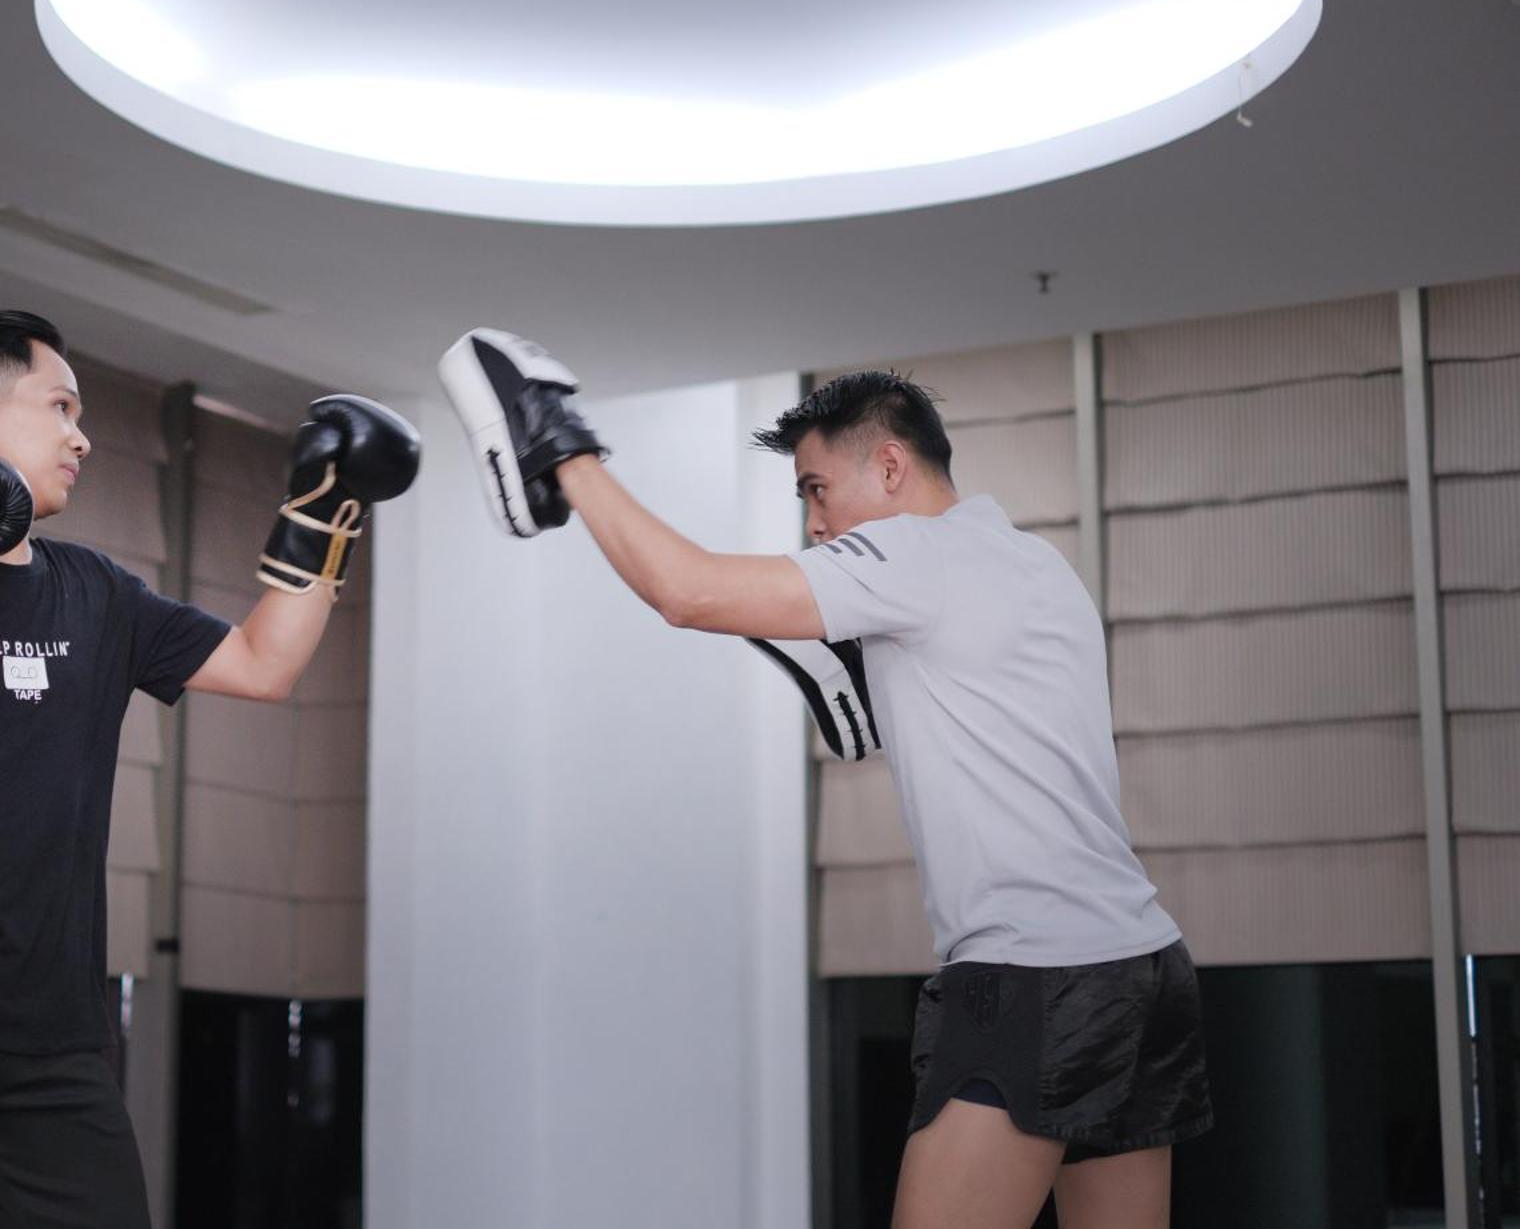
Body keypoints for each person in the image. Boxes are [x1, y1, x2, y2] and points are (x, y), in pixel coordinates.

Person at [440, 328, 1210, 1229]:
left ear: (889, 466)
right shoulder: (1033, 562)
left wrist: (565, 452)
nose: (813, 521)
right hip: (1142, 967)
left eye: (816, 489)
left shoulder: (915, 557)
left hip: (1035, 975)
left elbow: (686, 590)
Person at [0, 310, 418, 1226]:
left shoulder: (97, 592)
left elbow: (264, 664)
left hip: (49, 1026)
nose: (84, 437)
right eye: (61, 407)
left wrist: (326, 510)